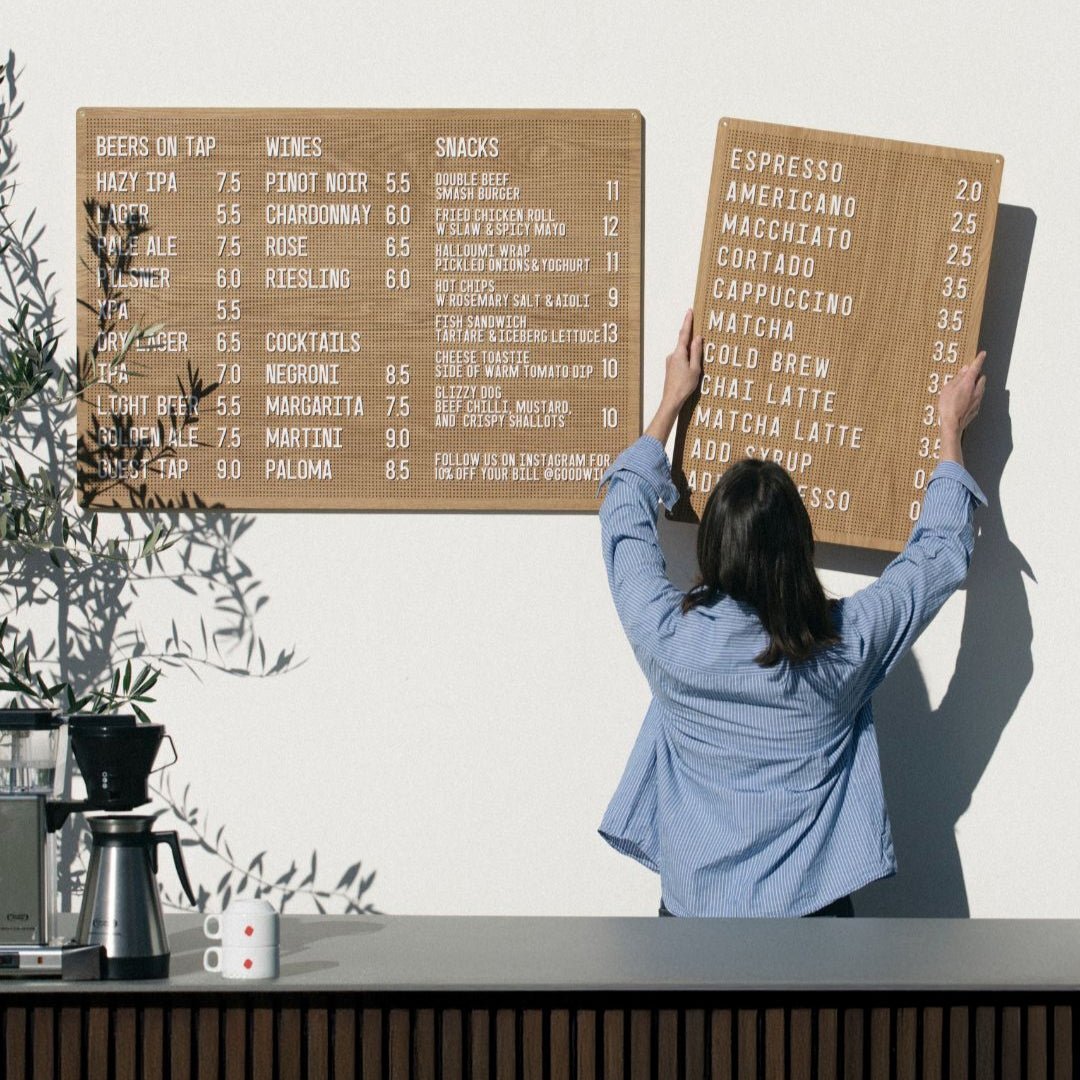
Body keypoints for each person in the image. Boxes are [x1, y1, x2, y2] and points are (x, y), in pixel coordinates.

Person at [597, 309, 987, 917]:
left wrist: (671, 402)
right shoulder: (843, 648)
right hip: (816, 939)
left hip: (693, 932)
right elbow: (936, 557)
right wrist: (949, 429)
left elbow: (623, 519)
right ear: (800, 546)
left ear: (713, 545)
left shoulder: (667, 639)